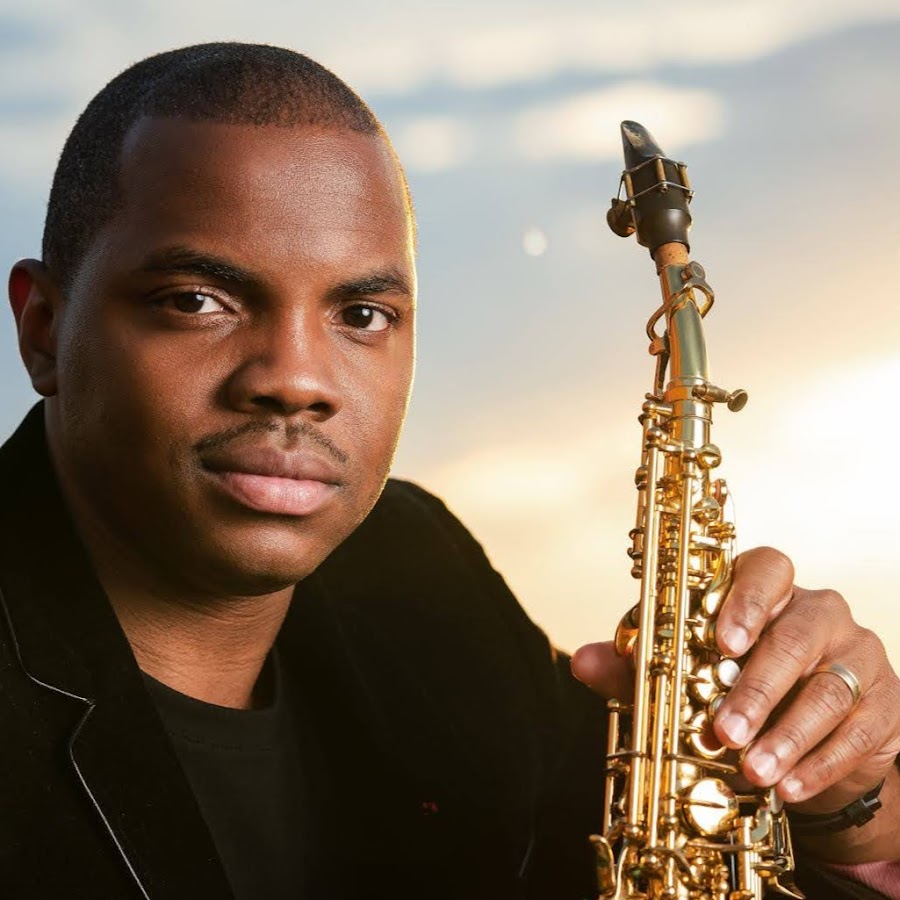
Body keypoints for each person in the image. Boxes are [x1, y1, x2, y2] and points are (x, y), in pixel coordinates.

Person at [1, 42, 897, 899]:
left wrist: (840, 802)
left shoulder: (416, 569)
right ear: (43, 329)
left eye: (361, 313)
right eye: (196, 301)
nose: (297, 380)